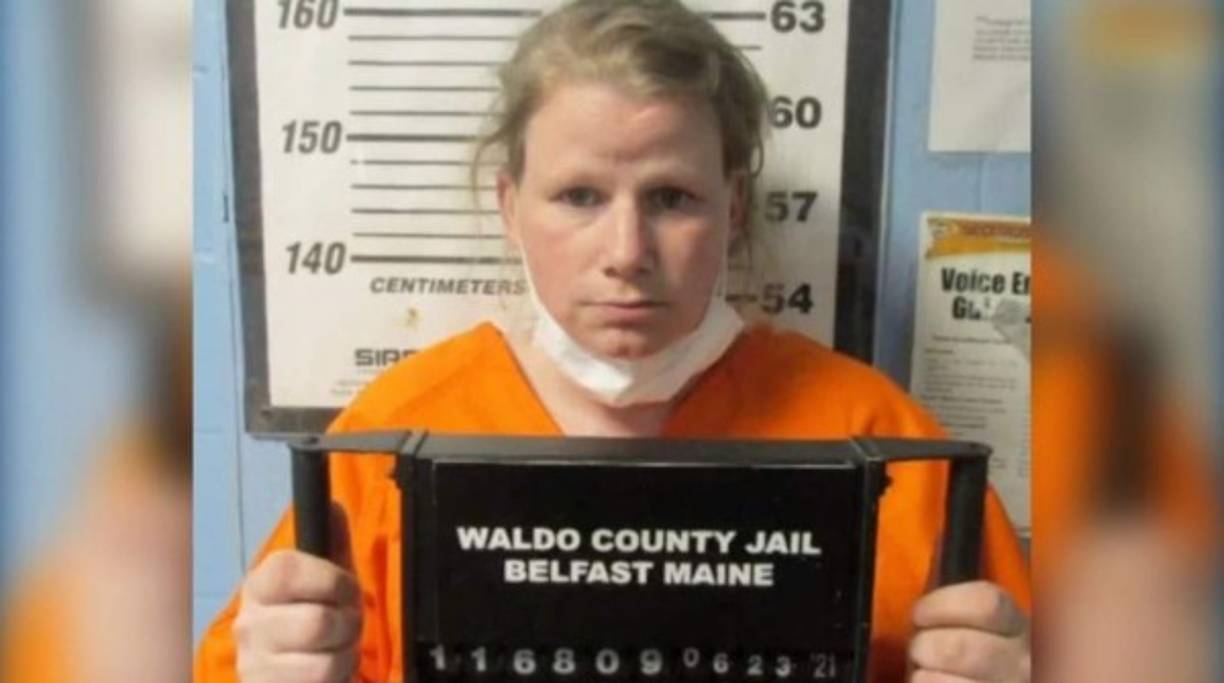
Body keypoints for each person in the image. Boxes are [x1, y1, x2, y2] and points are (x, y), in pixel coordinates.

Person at [195, 1, 1031, 681]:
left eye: (671, 198)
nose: (627, 253)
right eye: (580, 196)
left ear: (734, 207)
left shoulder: (886, 448)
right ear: (510, 205)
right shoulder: (388, 441)